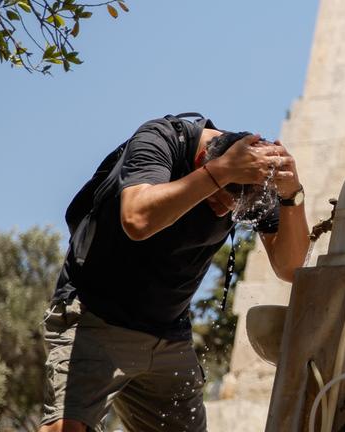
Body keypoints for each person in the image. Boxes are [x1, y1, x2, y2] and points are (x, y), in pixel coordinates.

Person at [39, 114, 310, 432]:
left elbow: (290, 268)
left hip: (169, 338)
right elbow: (137, 220)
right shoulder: (161, 140)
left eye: (232, 211)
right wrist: (219, 174)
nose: (222, 213)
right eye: (219, 200)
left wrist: (292, 195)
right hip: (95, 319)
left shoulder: (249, 180)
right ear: (201, 161)